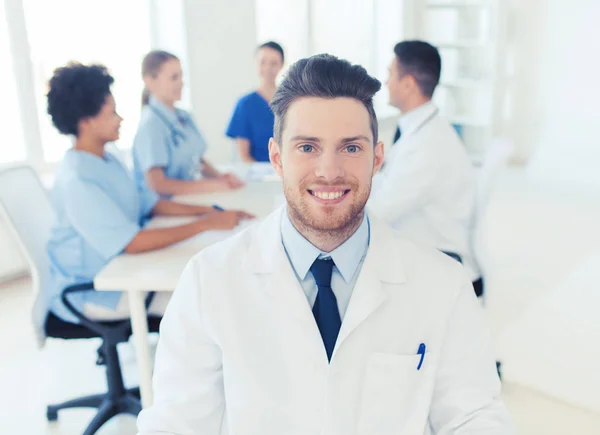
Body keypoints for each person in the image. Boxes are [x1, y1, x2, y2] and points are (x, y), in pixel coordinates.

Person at [137, 54, 512, 434]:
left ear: (376, 158)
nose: (329, 171)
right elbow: (175, 423)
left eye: (351, 148)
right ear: (276, 158)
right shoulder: (209, 281)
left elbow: (474, 416)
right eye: (307, 147)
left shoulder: (442, 285)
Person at [45, 63, 252, 324]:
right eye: (112, 113)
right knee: (211, 305)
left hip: (126, 269)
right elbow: (131, 243)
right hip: (98, 290)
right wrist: (206, 224)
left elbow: (149, 204)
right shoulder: (78, 180)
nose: (120, 119)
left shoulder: (108, 159)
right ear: (86, 122)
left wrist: (211, 211)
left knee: (211, 283)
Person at [368, 40, 483, 294]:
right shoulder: (423, 130)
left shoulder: (428, 145)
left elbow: (380, 212)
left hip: (442, 263)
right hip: (424, 249)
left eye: (390, 74)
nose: (386, 82)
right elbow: (386, 182)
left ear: (408, 84)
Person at [132, 50, 244, 197]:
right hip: (164, 210)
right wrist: (210, 186)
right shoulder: (150, 125)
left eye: (181, 76)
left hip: (187, 199)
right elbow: (157, 184)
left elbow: (196, 159)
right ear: (150, 81)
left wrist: (219, 177)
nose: (181, 83)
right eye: (174, 78)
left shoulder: (183, 116)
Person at [225, 41, 284, 162]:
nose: (268, 68)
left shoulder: (290, 102)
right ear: (256, 64)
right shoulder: (245, 105)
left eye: (274, 63)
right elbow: (244, 156)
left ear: (282, 65)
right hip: (257, 175)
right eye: (263, 62)